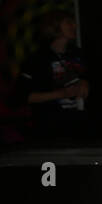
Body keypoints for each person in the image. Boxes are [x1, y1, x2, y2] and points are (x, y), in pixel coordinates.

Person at [16, 13, 91, 142]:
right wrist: (61, 94)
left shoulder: (79, 53)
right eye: (68, 22)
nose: (75, 26)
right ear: (54, 26)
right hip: (51, 129)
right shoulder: (37, 58)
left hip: (82, 126)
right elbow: (21, 96)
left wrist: (85, 82)